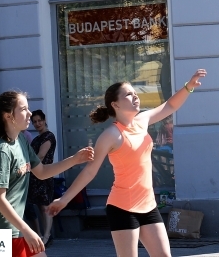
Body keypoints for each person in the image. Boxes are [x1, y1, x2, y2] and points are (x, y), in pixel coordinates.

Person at [46, 70, 206, 257]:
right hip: (122, 208)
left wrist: (188, 87)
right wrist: (64, 200)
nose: (135, 96)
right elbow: (90, 171)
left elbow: (170, 105)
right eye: (129, 94)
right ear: (115, 104)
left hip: (148, 205)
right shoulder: (110, 135)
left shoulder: (142, 121)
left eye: (135, 93)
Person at [0, 91, 93, 257]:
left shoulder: (21, 140)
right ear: (8, 116)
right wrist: (27, 230)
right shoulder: (1, 150)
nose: (30, 114)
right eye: (23, 109)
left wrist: (75, 159)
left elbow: (42, 172)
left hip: (15, 226)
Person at [27, 110, 57, 247]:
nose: (37, 123)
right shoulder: (36, 139)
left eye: (39, 120)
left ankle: (47, 236)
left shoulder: (48, 136)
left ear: (44, 120)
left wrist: (27, 167)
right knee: (40, 206)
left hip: (45, 174)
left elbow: (40, 156)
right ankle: (45, 235)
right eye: (35, 122)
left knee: (46, 206)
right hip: (36, 176)